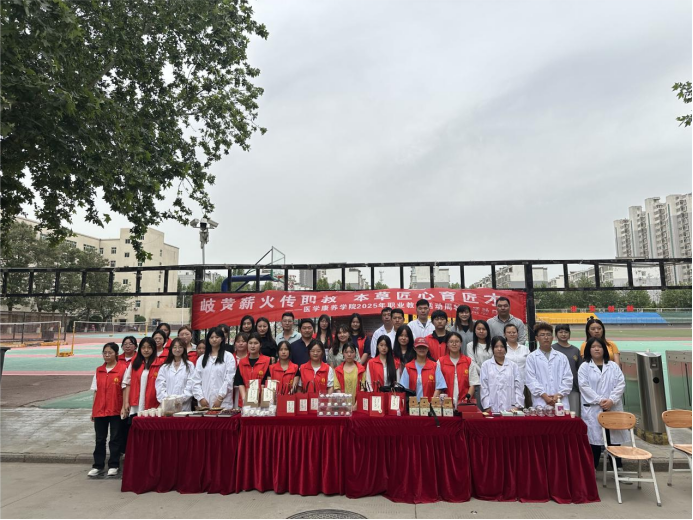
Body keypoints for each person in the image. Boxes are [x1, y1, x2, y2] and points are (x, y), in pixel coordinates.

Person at [579, 337, 628, 469]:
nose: (597, 349)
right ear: (589, 350)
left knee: (613, 439)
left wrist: (611, 400)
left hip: (612, 406)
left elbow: (620, 384)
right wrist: (600, 400)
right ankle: (592, 468)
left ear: (604, 349)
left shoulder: (613, 366)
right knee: (594, 441)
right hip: (594, 407)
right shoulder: (584, 367)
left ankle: (617, 467)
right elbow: (584, 386)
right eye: (593, 347)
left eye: (599, 346)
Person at [89, 342, 126, 478]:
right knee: (100, 439)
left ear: (116, 354)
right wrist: (93, 410)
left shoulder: (123, 369)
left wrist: (124, 407)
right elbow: (95, 391)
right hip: (100, 410)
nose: (107, 355)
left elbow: (125, 390)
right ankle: (98, 465)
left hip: (115, 409)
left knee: (115, 438)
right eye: (105, 353)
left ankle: (114, 465)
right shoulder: (99, 370)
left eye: (110, 352)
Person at [525, 322, 573, 410]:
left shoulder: (562, 357)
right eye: (542, 335)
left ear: (552, 337)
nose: (546, 337)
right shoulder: (531, 358)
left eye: (548, 334)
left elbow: (568, 379)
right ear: (536, 338)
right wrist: (545, 397)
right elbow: (531, 380)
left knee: (562, 418)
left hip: (560, 400)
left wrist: (558, 395)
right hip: (541, 401)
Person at [191, 327, 237, 409]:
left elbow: (229, 379)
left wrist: (220, 398)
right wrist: (200, 398)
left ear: (222, 339)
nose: (214, 339)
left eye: (217, 337)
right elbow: (196, 380)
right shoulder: (201, 359)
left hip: (223, 402)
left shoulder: (228, 356)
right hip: (205, 402)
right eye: (211, 337)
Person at [480, 336, 524, 413]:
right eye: (496, 346)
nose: (499, 349)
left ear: (505, 348)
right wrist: (487, 406)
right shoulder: (486, 365)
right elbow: (484, 387)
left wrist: (518, 405)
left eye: (502, 346)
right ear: (492, 348)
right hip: (492, 407)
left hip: (511, 408)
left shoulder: (513, 366)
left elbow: (519, 387)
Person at [121, 337, 161, 418]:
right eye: (143, 347)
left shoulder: (160, 364)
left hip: (152, 404)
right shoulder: (134, 363)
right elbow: (127, 383)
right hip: (136, 404)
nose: (146, 350)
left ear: (154, 349)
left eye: (149, 347)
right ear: (140, 349)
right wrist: (126, 402)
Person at [155, 338, 195, 411]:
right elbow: (160, 386)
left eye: (180, 347)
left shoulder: (190, 366)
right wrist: (169, 400)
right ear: (171, 349)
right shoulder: (164, 367)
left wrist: (179, 400)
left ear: (184, 349)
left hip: (184, 406)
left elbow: (190, 385)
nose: (177, 350)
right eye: (175, 347)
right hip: (167, 406)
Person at [553, 324, 583, 416]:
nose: (563, 334)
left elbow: (580, 369)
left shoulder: (575, 350)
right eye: (560, 332)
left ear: (569, 334)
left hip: (573, 388)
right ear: (556, 334)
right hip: (556, 389)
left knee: (574, 414)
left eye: (566, 332)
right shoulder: (552, 349)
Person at [437, 332, 472, 407]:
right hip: (445, 404)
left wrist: (466, 401)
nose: (454, 344)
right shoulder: (440, 362)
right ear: (447, 344)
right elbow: (438, 385)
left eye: (457, 341)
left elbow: (472, 384)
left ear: (461, 343)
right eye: (451, 342)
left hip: (464, 403)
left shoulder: (468, 361)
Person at [235, 333, 272, 405]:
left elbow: (267, 381)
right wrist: (244, 399)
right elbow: (240, 382)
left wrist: (260, 398)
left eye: (256, 343)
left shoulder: (267, 360)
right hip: (245, 402)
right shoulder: (242, 362)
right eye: (250, 343)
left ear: (260, 345)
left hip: (262, 402)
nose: (252, 346)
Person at [466, 320, 493, 409]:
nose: (481, 331)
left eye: (484, 329)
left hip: (492, 377)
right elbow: (472, 362)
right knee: (479, 405)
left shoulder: (493, 344)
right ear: (475, 330)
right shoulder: (470, 345)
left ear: (488, 331)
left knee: (491, 405)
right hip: (477, 378)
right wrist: (483, 373)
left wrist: (489, 374)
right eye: (479, 329)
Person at [504, 323, 530, 395]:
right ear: (504, 334)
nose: (512, 334)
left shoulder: (525, 349)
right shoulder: (502, 349)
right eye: (509, 332)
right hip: (507, 383)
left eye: (514, 332)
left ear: (517, 334)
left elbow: (530, 365)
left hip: (524, 383)